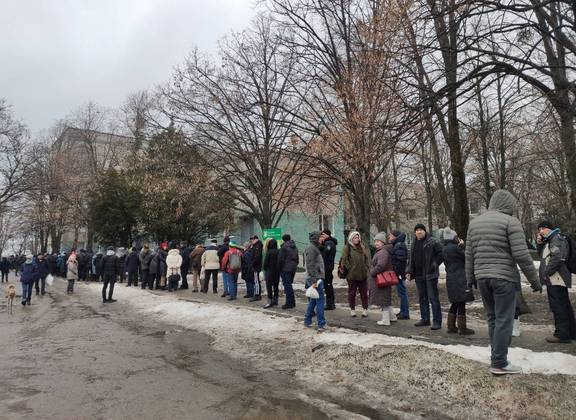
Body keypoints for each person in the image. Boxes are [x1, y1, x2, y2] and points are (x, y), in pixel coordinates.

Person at [466, 189, 542, 375]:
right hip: (503, 278)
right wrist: (535, 280)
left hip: (482, 278)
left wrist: (470, 279)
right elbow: (522, 256)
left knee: (492, 318)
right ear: (509, 206)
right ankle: (499, 362)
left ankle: (496, 357)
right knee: (503, 319)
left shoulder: (474, 224)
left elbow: (469, 255)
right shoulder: (510, 222)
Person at [536, 220, 576, 343]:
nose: (540, 231)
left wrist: (546, 273)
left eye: (542, 228)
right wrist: (539, 243)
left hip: (556, 277)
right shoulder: (550, 240)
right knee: (563, 304)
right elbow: (543, 256)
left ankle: (561, 334)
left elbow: (558, 258)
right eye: (539, 229)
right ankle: (571, 332)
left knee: (558, 305)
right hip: (555, 277)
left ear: (549, 228)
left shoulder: (556, 239)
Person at [406, 224, 444, 330]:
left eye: (421, 230)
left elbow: (441, 253)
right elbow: (411, 259)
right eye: (417, 230)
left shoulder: (432, 241)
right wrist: (409, 271)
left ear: (424, 231)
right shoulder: (413, 242)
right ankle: (425, 319)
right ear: (415, 232)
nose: (419, 232)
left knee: (433, 298)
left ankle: (437, 321)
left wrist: (435, 264)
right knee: (422, 298)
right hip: (418, 275)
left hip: (430, 274)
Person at [442, 228, 474, 335]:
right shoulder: (456, 248)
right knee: (461, 301)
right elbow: (467, 257)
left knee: (455, 302)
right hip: (460, 277)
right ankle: (462, 328)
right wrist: (462, 246)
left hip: (450, 278)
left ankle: (451, 326)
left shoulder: (445, 248)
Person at [340, 231, 371, 318]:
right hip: (352, 275)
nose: (357, 239)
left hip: (362, 274)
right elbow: (344, 259)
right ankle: (352, 309)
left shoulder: (362, 247)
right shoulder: (347, 248)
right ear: (351, 239)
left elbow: (366, 258)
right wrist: (350, 268)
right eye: (355, 238)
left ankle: (365, 309)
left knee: (364, 293)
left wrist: (367, 267)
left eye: (358, 238)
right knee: (352, 293)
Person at [369, 232, 396, 326]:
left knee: (383, 300)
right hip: (384, 279)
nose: (376, 243)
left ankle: (385, 320)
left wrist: (372, 272)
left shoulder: (382, 252)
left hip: (382, 279)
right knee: (386, 299)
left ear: (383, 242)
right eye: (375, 241)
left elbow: (381, 265)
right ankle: (392, 317)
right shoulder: (382, 251)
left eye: (378, 241)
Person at [303, 232, 326, 331]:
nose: (322, 239)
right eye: (321, 237)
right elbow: (310, 265)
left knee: (313, 300)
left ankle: (307, 321)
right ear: (316, 238)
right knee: (320, 301)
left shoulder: (314, 247)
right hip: (315, 278)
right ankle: (321, 324)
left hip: (315, 278)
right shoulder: (312, 248)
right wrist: (314, 280)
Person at [389, 230, 409, 319]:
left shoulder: (399, 245)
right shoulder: (397, 244)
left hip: (399, 274)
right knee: (401, 293)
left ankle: (405, 313)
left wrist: (397, 273)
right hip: (400, 273)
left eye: (390, 236)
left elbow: (400, 261)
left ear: (395, 236)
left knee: (402, 293)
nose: (389, 237)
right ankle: (403, 311)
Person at [278, 234, 299, 309]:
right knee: (289, 285)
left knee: (287, 286)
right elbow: (297, 258)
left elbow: (280, 259)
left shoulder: (284, 247)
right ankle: (292, 302)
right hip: (293, 267)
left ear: (283, 239)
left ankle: (289, 303)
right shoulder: (295, 247)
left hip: (285, 268)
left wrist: (279, 268)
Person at [319, 229, 338, 310]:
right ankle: (330, 303)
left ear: (327, 235)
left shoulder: (329, 243)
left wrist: (320, 245)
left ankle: (330, 304)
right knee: (328, 285)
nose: (321, 236)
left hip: (327, 267)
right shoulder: (328, 243)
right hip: (328, 267)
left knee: (328, 285)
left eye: (323, 234)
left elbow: (324, 254)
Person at [263, 238, 280, 309]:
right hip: (277, 271)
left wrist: (264, 268)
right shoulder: (279, 251)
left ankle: (269, 301)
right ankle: (276, 300)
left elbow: (265, 263)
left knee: (269, 286)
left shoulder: (269, 252)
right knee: (276, 286)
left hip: (269, 271)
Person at [250, 236, 264, 302]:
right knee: (256, 280)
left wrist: (252, 264)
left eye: (252, 239)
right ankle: (257, 294)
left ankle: (257, 295)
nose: (251, 241)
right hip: (255, 265)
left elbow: (257, 257)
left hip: (256, 266)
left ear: (256, 239)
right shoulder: (256, 245)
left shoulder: (257, 246)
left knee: (256, 281)